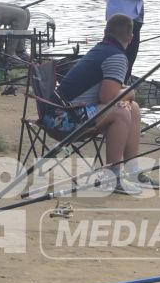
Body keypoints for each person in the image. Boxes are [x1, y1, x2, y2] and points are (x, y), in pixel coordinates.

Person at [54, 14, 147, 193]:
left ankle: (132, 171)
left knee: (132, 107)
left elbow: (106, 94)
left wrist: (126, 95)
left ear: (105, 33)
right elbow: (107, 98)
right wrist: (130, 92)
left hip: (58, 113)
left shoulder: (101, 49)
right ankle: (112, 177)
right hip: (65, 120)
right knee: (122, 111)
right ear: (131, 38)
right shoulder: (118, 57)